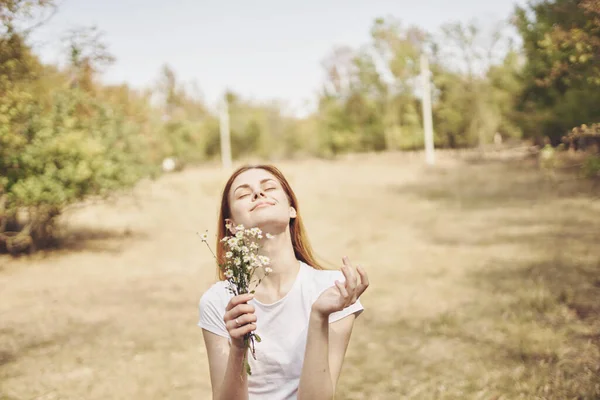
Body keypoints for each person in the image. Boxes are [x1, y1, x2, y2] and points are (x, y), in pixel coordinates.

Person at [198, 164, 369, 400]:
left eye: (268, 187)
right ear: (232, 226)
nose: (258, 194)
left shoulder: (334, 290)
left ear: (291, 209)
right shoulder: (218, 301)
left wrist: (319, 316)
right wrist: (238, 347)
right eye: (244, 194)